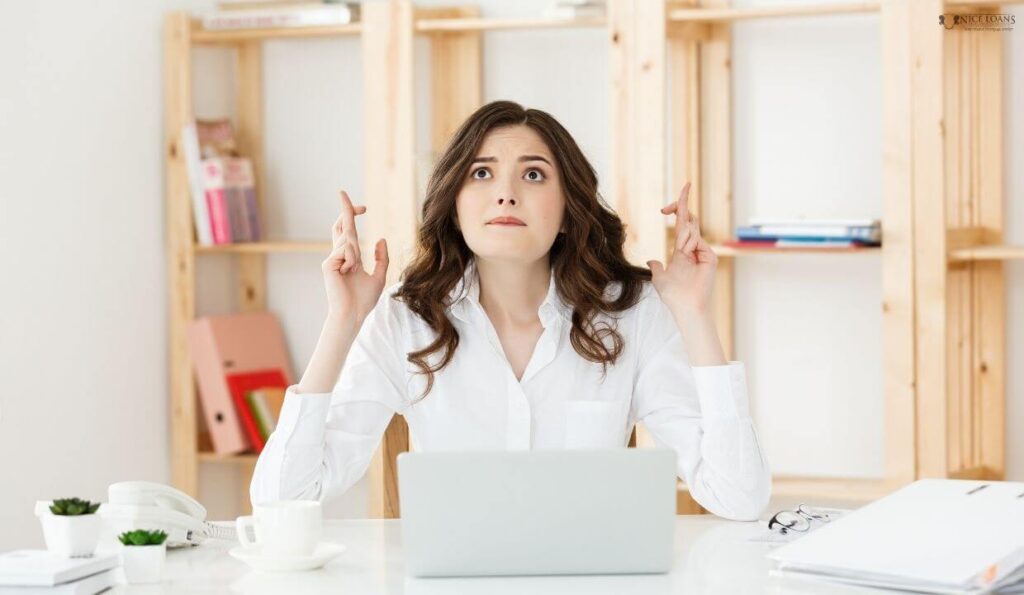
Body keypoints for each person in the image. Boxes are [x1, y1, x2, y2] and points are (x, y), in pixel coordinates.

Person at [250, 100, 771, 521]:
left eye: (534, 176)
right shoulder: (406, 322)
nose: (504, 194)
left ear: (570, 212)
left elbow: (737, 496)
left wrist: (694, 314)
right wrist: (343, 321)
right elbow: (281, 499)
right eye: (481, 173)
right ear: (454, 205)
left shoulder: (633, 316)